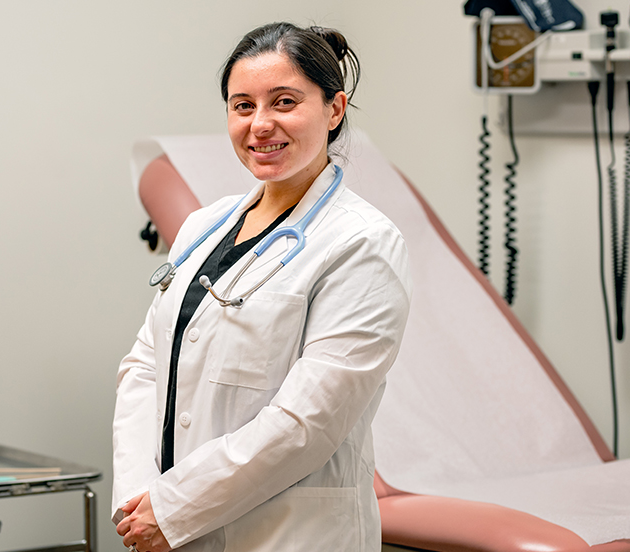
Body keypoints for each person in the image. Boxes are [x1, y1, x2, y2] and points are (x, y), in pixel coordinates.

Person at [113, 22, 411, 552]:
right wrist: (142, 495)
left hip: (288, 535)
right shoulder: (204, 226)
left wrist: (177, 506)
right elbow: (143, 366)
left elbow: (307, 423)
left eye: (285, 102)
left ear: (335, 109)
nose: (260, 125)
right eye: (242, 105)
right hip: (172, 526)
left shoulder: (362, 244)